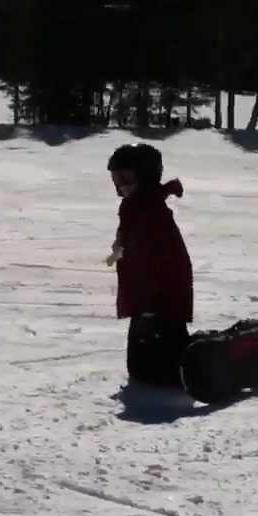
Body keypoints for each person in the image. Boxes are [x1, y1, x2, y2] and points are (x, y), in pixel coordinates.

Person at [105, 143, 193, 385]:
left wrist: (152, 304)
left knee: (155, 372)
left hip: (159, 302)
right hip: (146, 301)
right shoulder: (136, 207)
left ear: (145, 178)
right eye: (116, 179)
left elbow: (162, 261)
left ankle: (200, 358)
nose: (120, 186)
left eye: (126, 178)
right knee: (141, 371)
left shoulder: (149, 210)